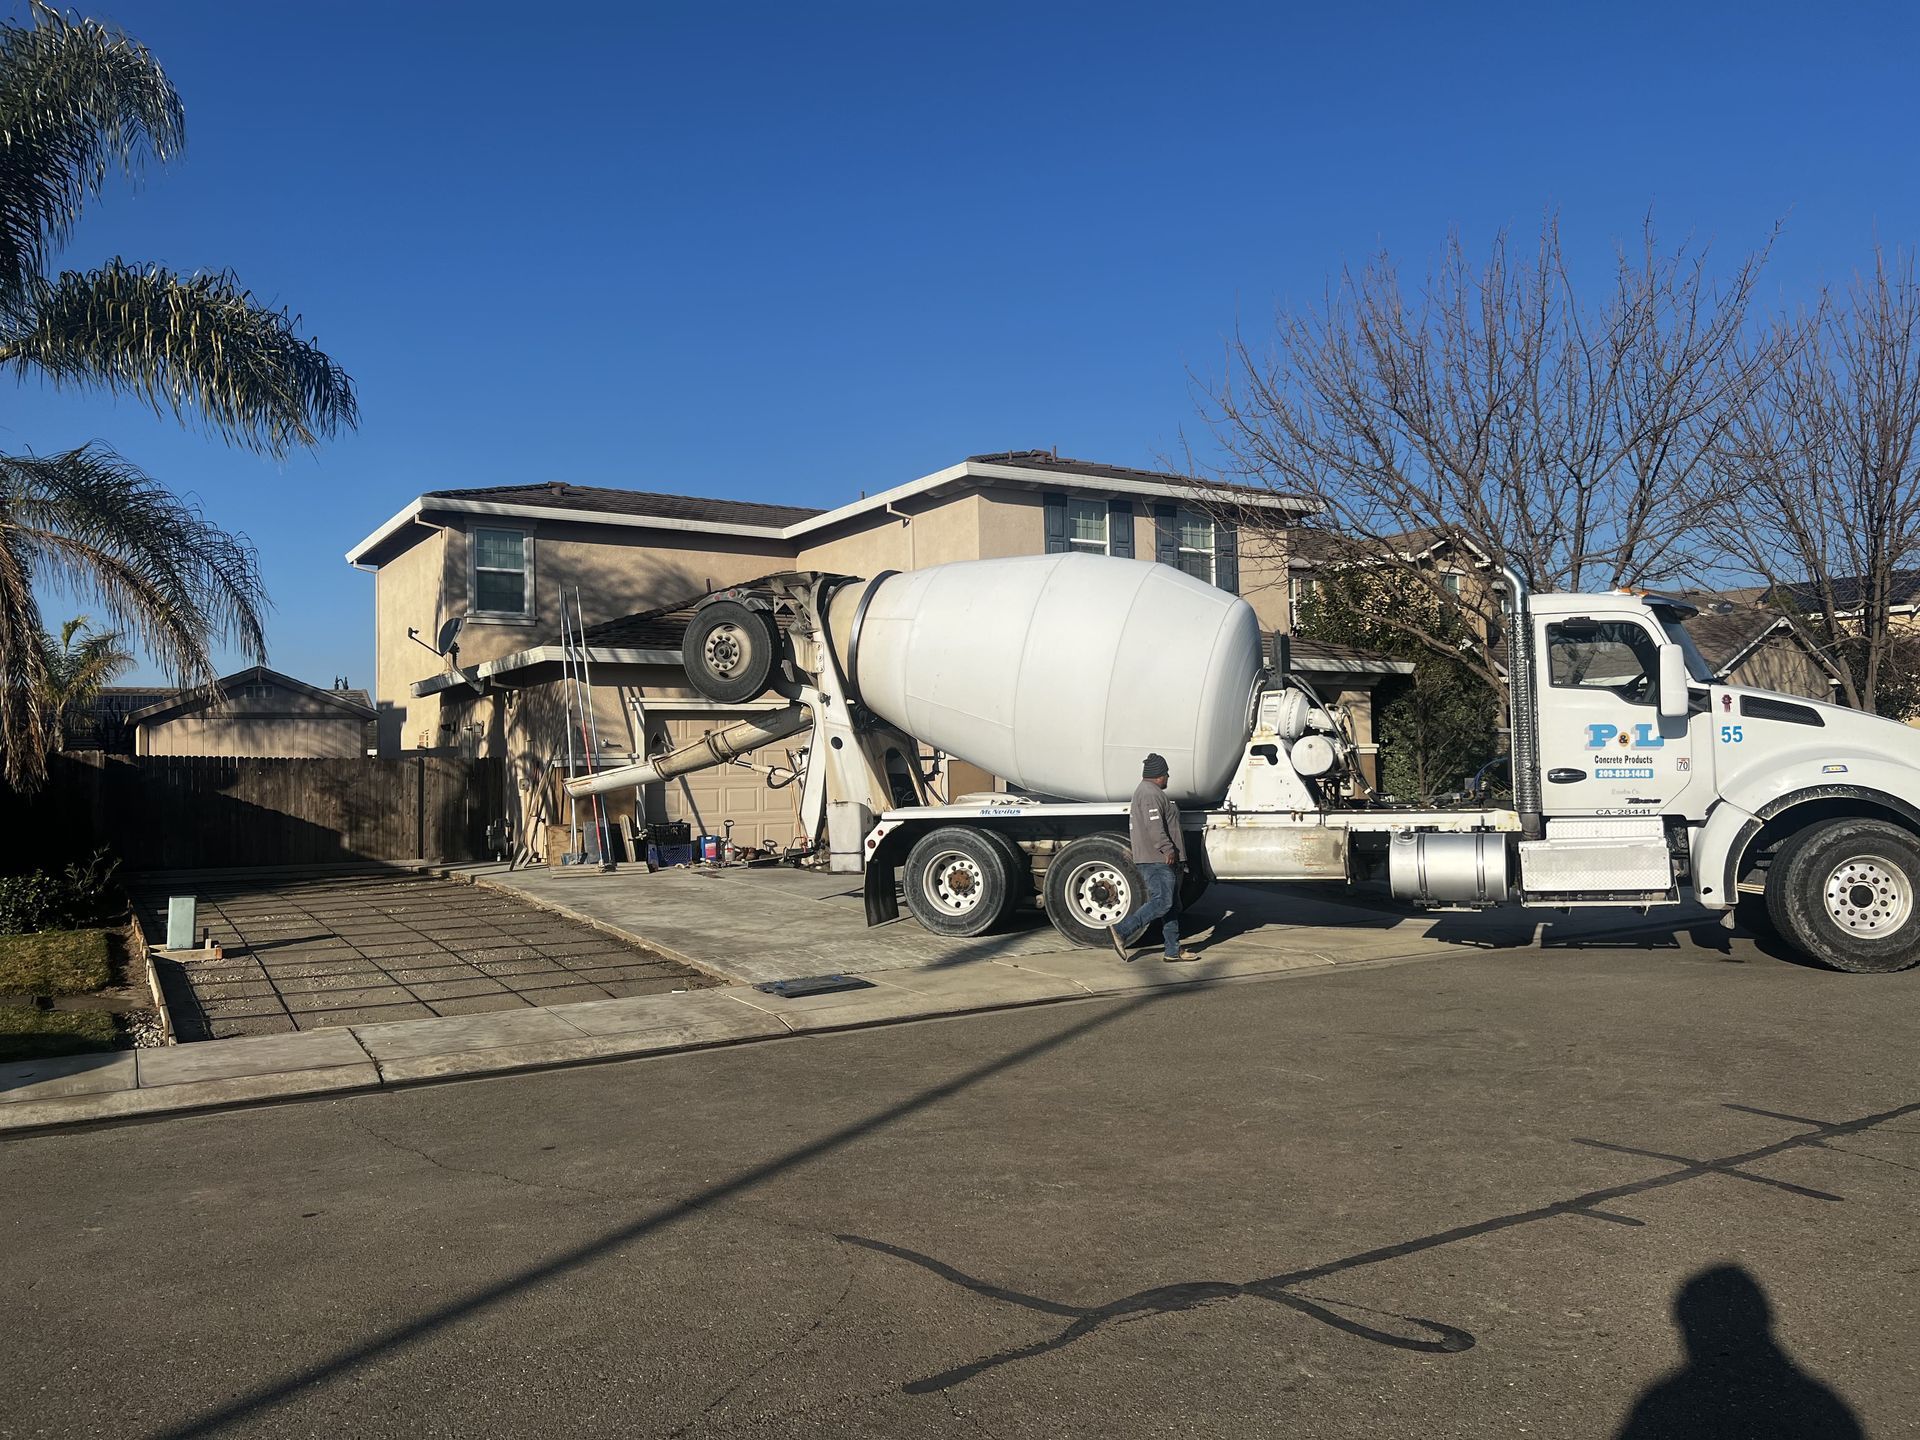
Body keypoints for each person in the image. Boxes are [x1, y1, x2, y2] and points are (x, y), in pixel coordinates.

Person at [1107, 753, 1199, 962]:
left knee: (1171, 907)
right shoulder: (1149, 794)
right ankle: (1121, 931)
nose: (1168, 777)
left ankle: (1172, 950)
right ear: (1159, 775)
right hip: (1156, 860)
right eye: (1166, 773)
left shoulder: (1150, 792)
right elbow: (1154, 826)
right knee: (1163, 902)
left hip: (1159, 859)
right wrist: (1167, 849)